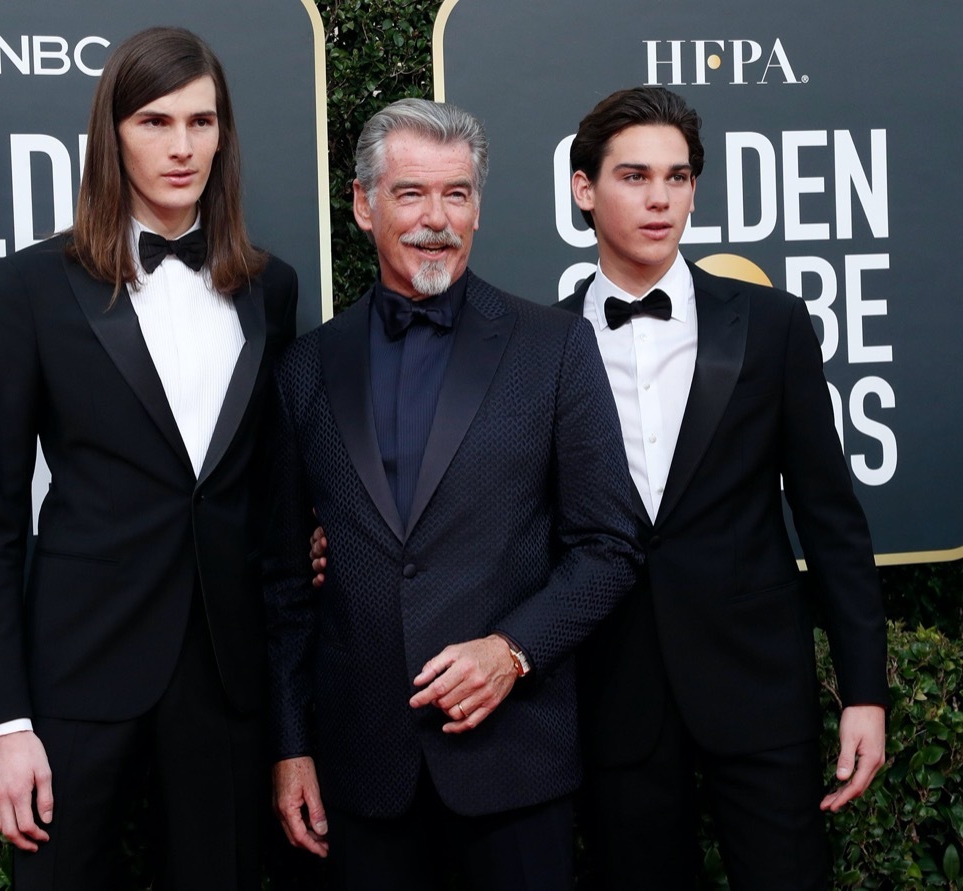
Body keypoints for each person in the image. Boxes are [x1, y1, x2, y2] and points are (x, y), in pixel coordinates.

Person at [262, 98, 641, 891]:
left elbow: (608, 547)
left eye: (456, 194)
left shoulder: (554, 347)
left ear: (477, 207)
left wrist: (512, 650)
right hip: (363, 774)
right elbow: (286, 584)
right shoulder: (305, 368)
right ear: (364, 205)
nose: (436, 219)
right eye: (411, 194)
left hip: (514, 764)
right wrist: (292, 746)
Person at [0, 26, 297, 890]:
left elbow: (272, 508)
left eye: (201, 121)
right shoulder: (31, 287)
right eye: (155, 121)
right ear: (112, 135)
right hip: (78, 670)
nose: (182, 146)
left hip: (224, 677)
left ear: (223, 135)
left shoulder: (272, 287)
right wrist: (6, 723)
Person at [559, 86, 887, 889]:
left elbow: (831, 519)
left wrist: (865, 693)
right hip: (616, 690)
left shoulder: (772, 324)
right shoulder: (541, 342)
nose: (661, 198)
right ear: (583, 188)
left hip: (757, 683)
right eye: (635, 176)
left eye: (677, 177)